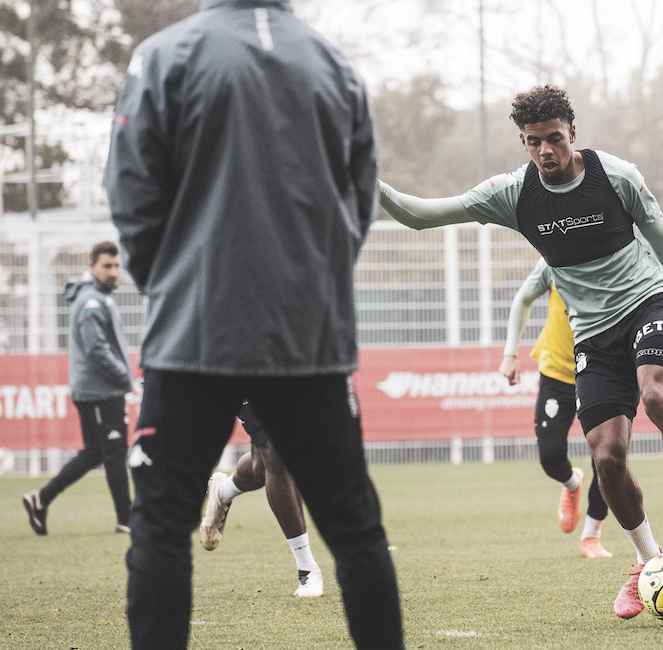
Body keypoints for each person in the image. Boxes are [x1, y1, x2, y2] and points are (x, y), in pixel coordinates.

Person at [103, 0, 403, 647]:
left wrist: (174, 284)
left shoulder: (163, 56)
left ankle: (264, 530)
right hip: (307, 338)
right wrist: (313, 286)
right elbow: (360, 200)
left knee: (160, 528)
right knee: (356, 531)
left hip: (194, 335)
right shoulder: (334, 65)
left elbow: (129, 190)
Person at [380, 84, 663, 620]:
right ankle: (648, 561)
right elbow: (418, 215)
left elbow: (660, 237)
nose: (545, 150)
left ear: (573, 133)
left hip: (649, 300)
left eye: (554, 138)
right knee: (606, 455)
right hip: (592, 333)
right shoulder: (512, 194)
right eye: (533, 141)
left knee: (658, 396)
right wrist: (366, 179)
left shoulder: (616, 175)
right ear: (523, 142)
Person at [499, 259, 611, 559]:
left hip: (603, 372)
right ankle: (572, 483)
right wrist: (511, 353)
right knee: (550, 456)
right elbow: (523, 298)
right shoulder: (553, 256)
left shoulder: (619, 256)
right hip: (557, 372)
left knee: (607, 460)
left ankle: (591, 536)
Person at [22, 240, 134, 536]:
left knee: (95, 453)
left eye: (117, 265)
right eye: (107, 266)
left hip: (98, 389)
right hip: (102, 391)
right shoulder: (92, 301)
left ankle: (41, 499)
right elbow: (96, 348)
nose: (113, 271)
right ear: (91, 266)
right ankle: (126, 519)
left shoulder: (96, 297)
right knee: (114, 452)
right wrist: (123, 376)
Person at [199, 403, 324, 598]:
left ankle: (223, 491)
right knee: (277, 453)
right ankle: (307, 570)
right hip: (247, 384)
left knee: (261, 468)